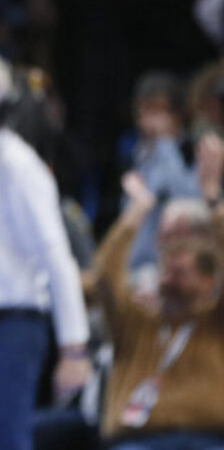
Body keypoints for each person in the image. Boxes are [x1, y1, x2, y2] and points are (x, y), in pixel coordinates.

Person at [0, 50, 91, 450]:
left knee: (0, 438)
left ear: (3, 104)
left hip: (10, 324)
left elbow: (55, 254)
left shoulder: (19, 164)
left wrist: (74, 347)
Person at [93, 133, 224, 450]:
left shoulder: (216, 321)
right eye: (167, 268)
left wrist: (211, 197)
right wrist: (137, 211)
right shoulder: (134, 319)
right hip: (138, 441)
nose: (169, 278)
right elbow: (105, 276)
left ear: (210, 280)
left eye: (182, 272)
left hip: (208, 438)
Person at [124, 73, 198, 279]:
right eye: (143, 110)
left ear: (177, 114)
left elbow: (188, 203)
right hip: (134, 270)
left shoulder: (193, 151)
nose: (148, 120)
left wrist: (165, 142)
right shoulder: (137, 154)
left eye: (156, 110)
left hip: (173, 270)